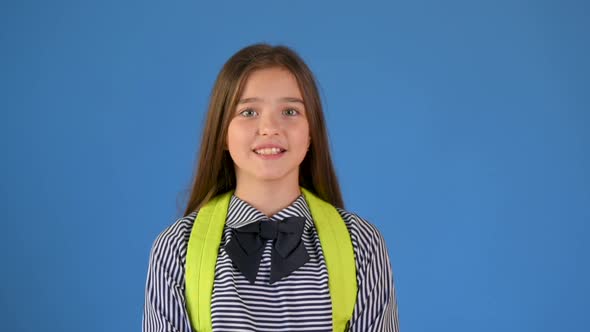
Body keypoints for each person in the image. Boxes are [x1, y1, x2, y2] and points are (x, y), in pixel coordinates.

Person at [143, 43, 400, 332]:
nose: (269, 128)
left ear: (311, 131)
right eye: (248, 112)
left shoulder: (362, 246)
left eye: (290, 111)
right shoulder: (177, 249)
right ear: (222, 133)